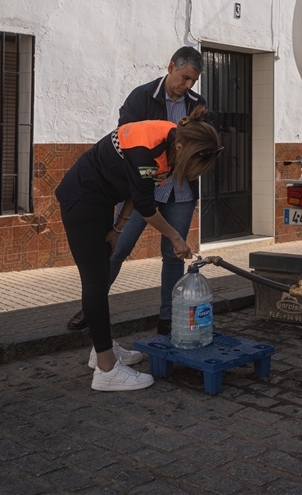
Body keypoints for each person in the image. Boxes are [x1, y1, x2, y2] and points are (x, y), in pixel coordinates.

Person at [55, 107, 221, 391]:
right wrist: (176, 238)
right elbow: (146, 207)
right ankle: (106, 370)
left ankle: (102, 350)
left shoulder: (171, 139)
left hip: (100, 201)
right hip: (82, 201)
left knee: (100, 275)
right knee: (95, 282)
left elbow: (137, 190)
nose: (191, 173)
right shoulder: (147, 149)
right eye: (194, 164)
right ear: (182, 148)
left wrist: (117, 228)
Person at [66, 47, 208, 335]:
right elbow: (127, 141)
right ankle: (92, 306)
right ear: (171, 67)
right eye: (184, 77)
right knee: (117, 248)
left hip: (180, 192)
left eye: (193, 80)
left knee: (173, 256)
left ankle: (168, 319)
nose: (187, 85)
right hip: (140, 188)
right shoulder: (142, 96)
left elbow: (200, 146)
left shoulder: (198, 104)